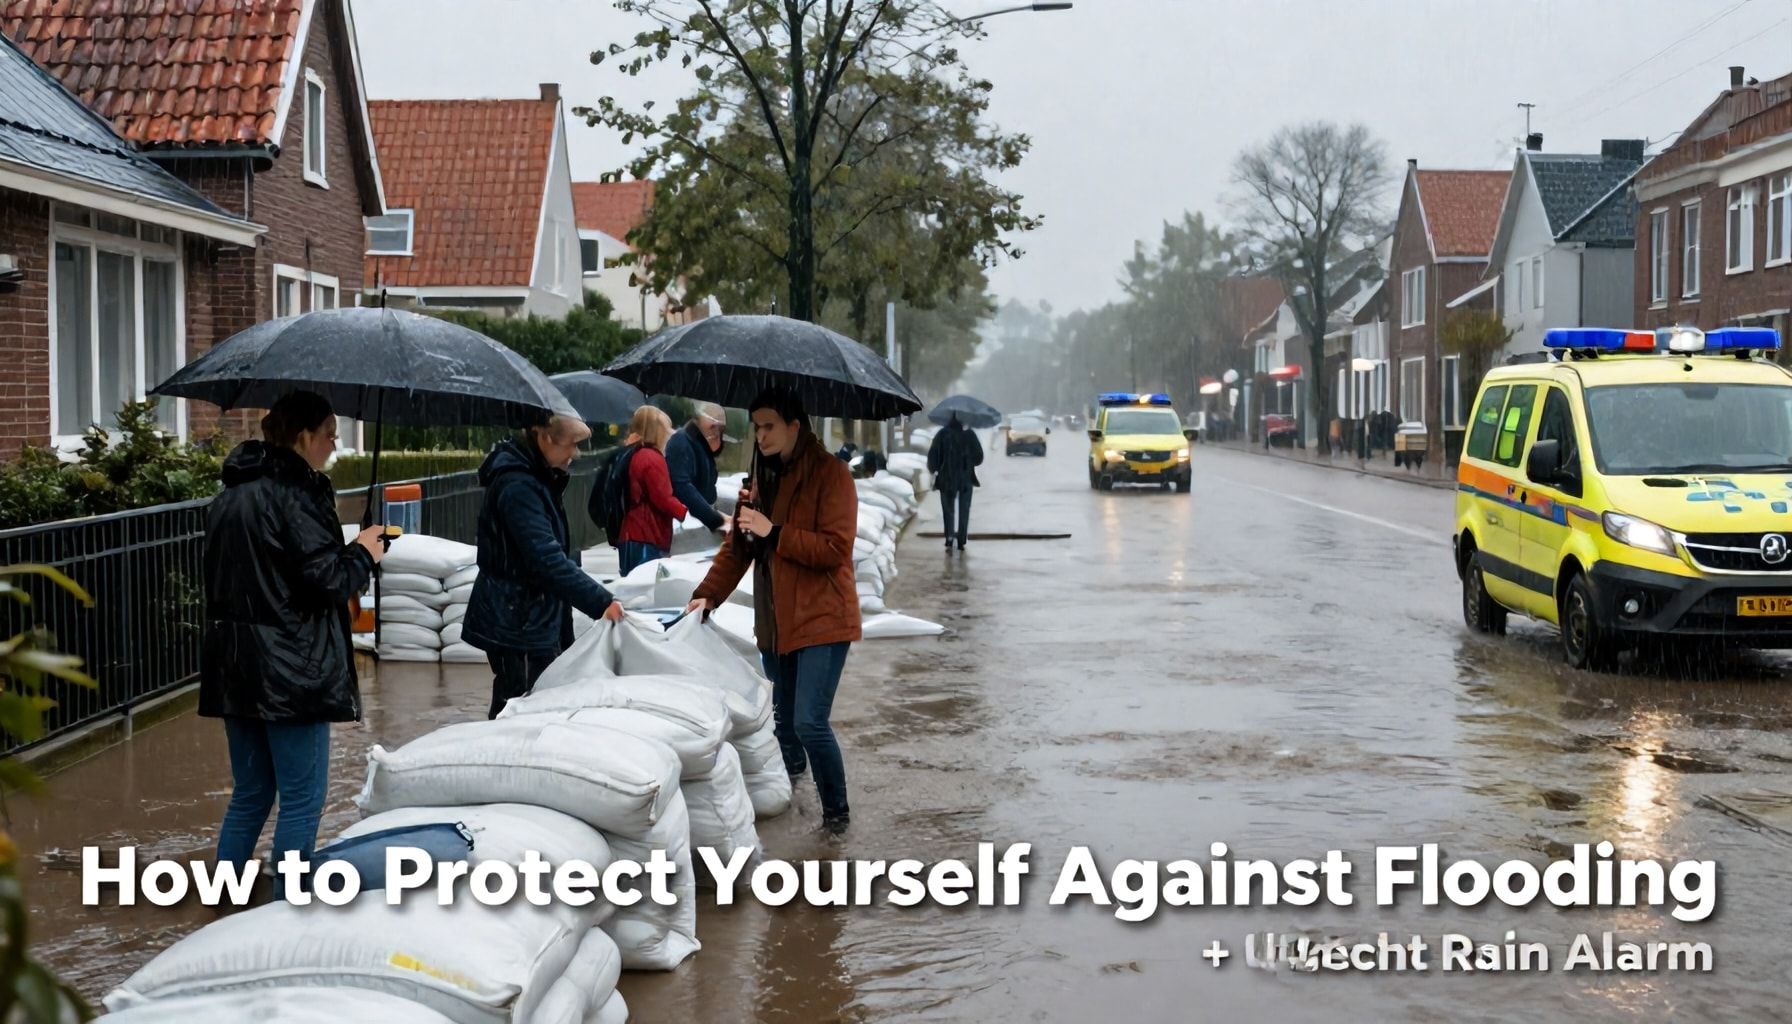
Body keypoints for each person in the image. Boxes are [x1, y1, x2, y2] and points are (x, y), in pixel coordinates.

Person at [202, 391, 385, 877]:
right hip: (291, 671)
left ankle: (224, 904)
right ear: (304, 436)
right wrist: (366, 550)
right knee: (303, 800)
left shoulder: (229, 496)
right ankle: (290, 913)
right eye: (329, 435)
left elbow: (269, 577)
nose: (334, 446)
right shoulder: (300, 496)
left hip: (235, 669)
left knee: (251, 793)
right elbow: (326, 582)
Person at [686, 387, 861, 836]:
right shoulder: (763, 479)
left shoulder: (832, 474)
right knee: (784, 722)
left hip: (822, 618)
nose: (760, 436)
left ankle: (836, 820)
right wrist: (707, 595)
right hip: (776, 620)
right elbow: (739, 547)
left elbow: (836, 549)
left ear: (794, 427)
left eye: (769, 427)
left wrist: (775, 531)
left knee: (809, 721)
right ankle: (793, 798)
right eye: (756, 427)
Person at [464, 414, 625, 719]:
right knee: (522, 704)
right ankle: (509, 761)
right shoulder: (519, 487)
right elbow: (545, 557)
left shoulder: (535, 477)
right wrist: (600, 601)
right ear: (544, 439)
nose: (575, 454)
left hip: (528, 614)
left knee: (533, 699)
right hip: (518, 619)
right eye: (571, 444)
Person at [616, 405, 687, 575]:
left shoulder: (636, 454)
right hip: (646, 535)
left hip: (631, 534)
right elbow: (663, 498)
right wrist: (687, 513)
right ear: (656, 430)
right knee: (644, 590)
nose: (670, 432)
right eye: (666, 428)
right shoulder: (652, 458)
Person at [665, 401, 729, 535]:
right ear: (698, 418)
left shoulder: (701, 444)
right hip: (685, 525)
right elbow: (682, 487)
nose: (716, 423)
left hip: (697, 523)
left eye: (719, 418)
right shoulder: (681, 441)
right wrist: (716, 519)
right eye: (712, 417)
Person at [926, 412, 983, 552]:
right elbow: (979, 458)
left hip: (946, 478)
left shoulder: (942, 434)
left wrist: (934, 469)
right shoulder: (970, 435)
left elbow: (933, 456)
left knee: (948, 510)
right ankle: (962, 538)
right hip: (965, 478)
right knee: (964, 509)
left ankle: (949, 537)